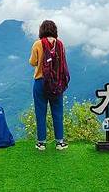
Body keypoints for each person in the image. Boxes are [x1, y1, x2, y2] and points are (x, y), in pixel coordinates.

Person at [29, 19, 70, 151]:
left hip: (41, 81)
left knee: (40, 113)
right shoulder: (60, 44)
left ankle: (41, 143)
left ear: (42, 30)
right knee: (57, 112)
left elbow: (33, 62)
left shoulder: (38, 44)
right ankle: (59, 142)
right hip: (57, 82)